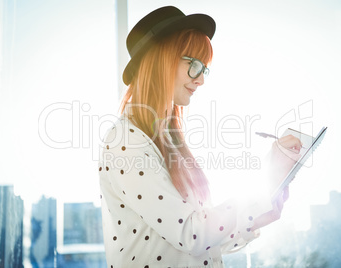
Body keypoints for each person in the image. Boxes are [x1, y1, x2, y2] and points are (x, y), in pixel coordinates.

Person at [98, 6, 302, 267]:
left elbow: (203, 245)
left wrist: (262, 211)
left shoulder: (167, 142)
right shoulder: (126, 141)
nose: (201, 80)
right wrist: (263, 185)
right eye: (194, 64)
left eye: (204, 68)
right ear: (161, 60)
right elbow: (191, 234)